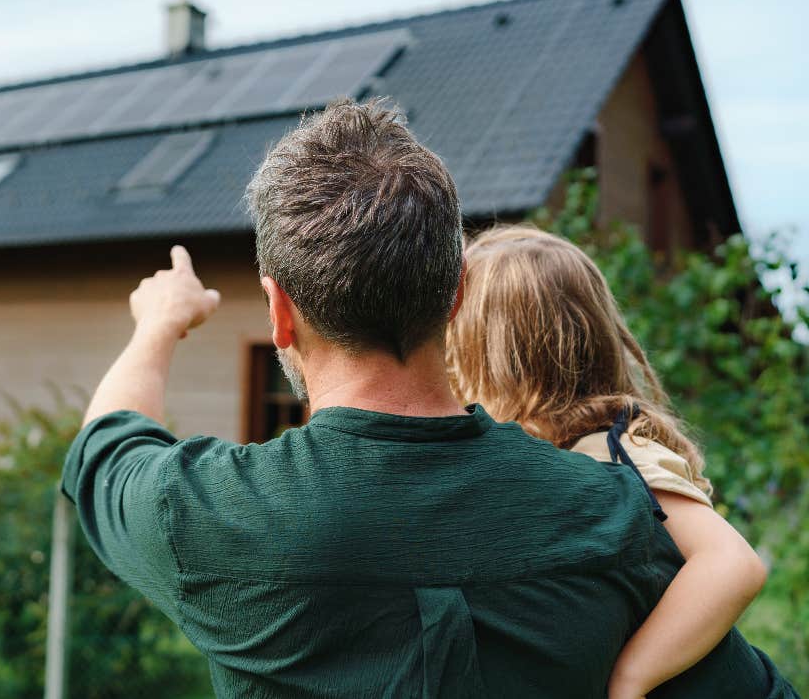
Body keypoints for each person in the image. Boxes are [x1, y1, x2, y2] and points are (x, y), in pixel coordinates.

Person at [60, 98, 797, 697]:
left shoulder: (207, 516)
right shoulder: (610, 512)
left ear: (279, 311)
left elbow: (109, 440)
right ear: (454, 295)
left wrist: (158, 325)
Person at [445, 226, 796, 698]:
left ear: (489, 359)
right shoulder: (562, 455)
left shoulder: (613, 450)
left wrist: (632, 679)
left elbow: (732, 564)